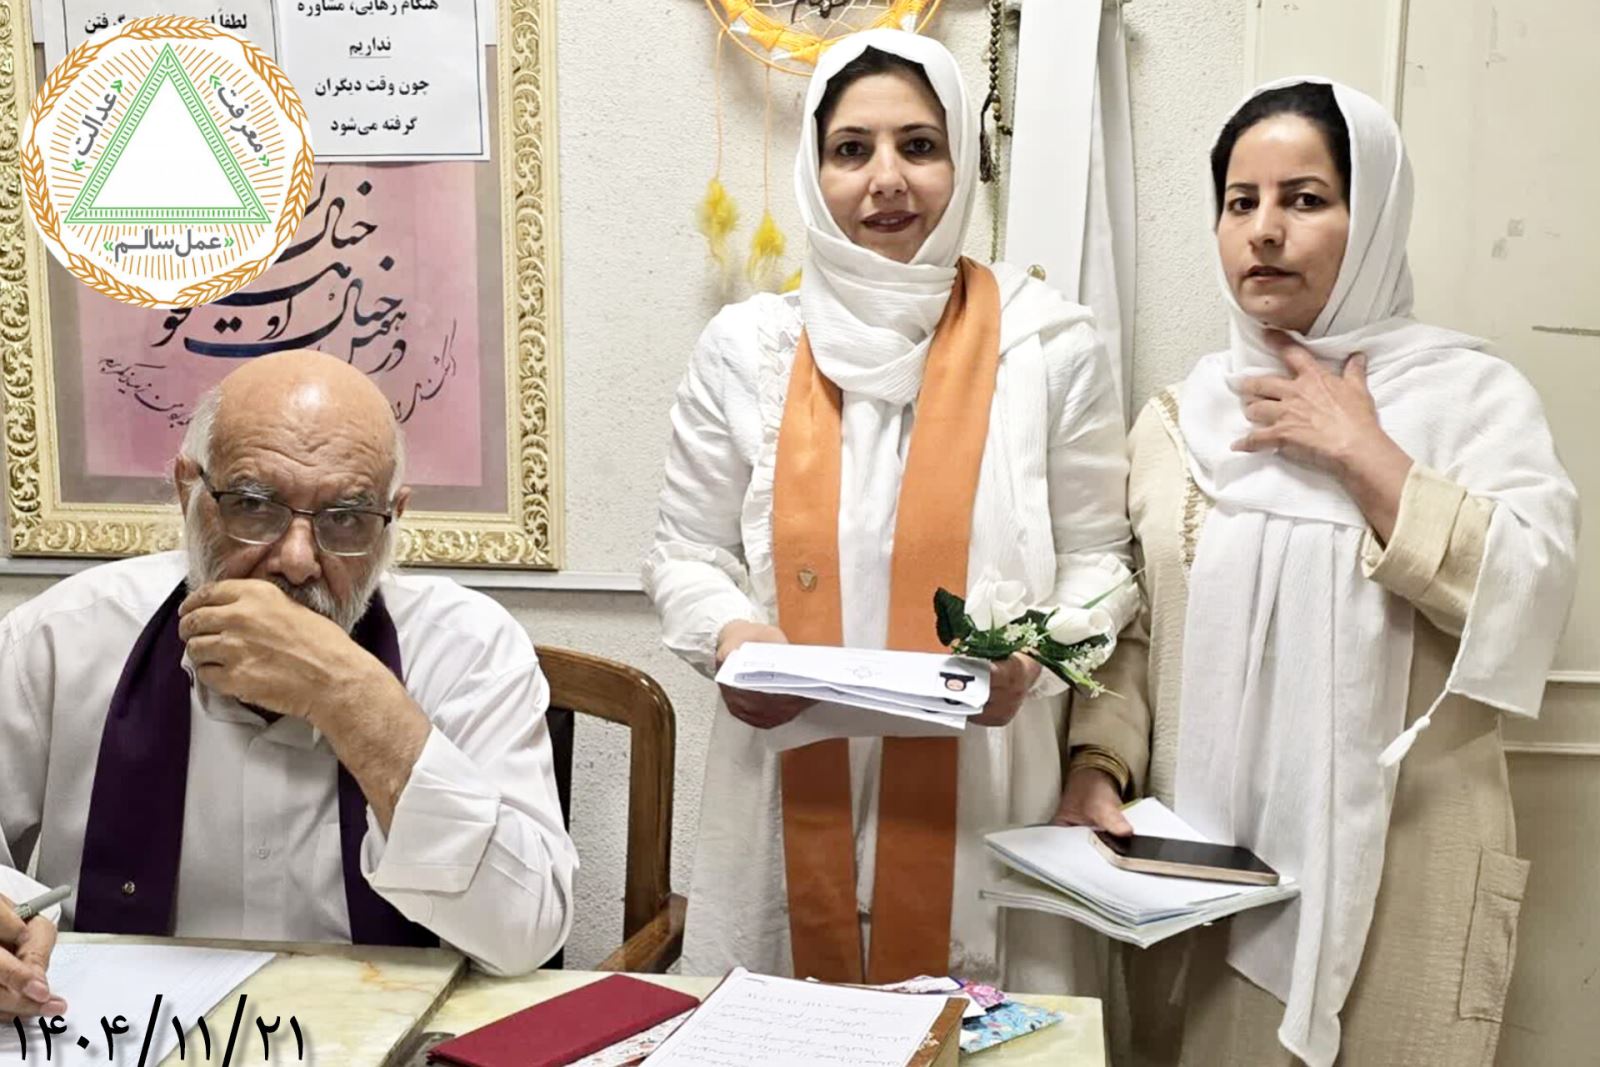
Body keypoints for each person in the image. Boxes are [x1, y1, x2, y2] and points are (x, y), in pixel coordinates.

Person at [1058, 79, 1579, 1065]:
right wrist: (1097, 764)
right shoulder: (1178, 421)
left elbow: (1531, 590)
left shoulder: (1471, 400)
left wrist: (1367, 455)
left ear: (1372, 215)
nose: (1264, 230)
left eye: (1305, 199)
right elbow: (1135, 629)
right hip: (1198, 879)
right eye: (1239, 202)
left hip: (1403, 879)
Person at [644, 29, 1142, 989]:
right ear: (814, 168)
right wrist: (730, 634)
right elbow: (685, 554)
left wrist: (1036, 655)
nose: (887, 180)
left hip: (986, 777)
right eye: (851, 149)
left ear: (960, 161)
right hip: (787, 771)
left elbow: (1103, 564)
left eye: (919, 145)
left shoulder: (1047, 347)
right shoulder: (747, 348)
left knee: (982, 1029)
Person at [0, 351, 578, 1021]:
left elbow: (526, 934)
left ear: (394, 517)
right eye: (253, 505)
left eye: (346, 518)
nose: (297, 559)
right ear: (189, 493)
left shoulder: (468, 648)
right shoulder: (63, 635)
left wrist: (351, 697)